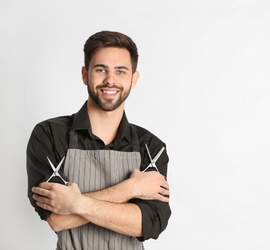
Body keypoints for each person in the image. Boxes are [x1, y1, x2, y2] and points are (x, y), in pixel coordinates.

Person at [26, 30, 171, 250]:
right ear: (85, 74)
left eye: (120, 71)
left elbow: (146, 224)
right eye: (100, 69)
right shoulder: (50, 135)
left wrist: (76, 203)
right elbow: (57, 219)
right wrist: (130, 189)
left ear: (134, 79)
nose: (110, 80)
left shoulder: (151, 148)